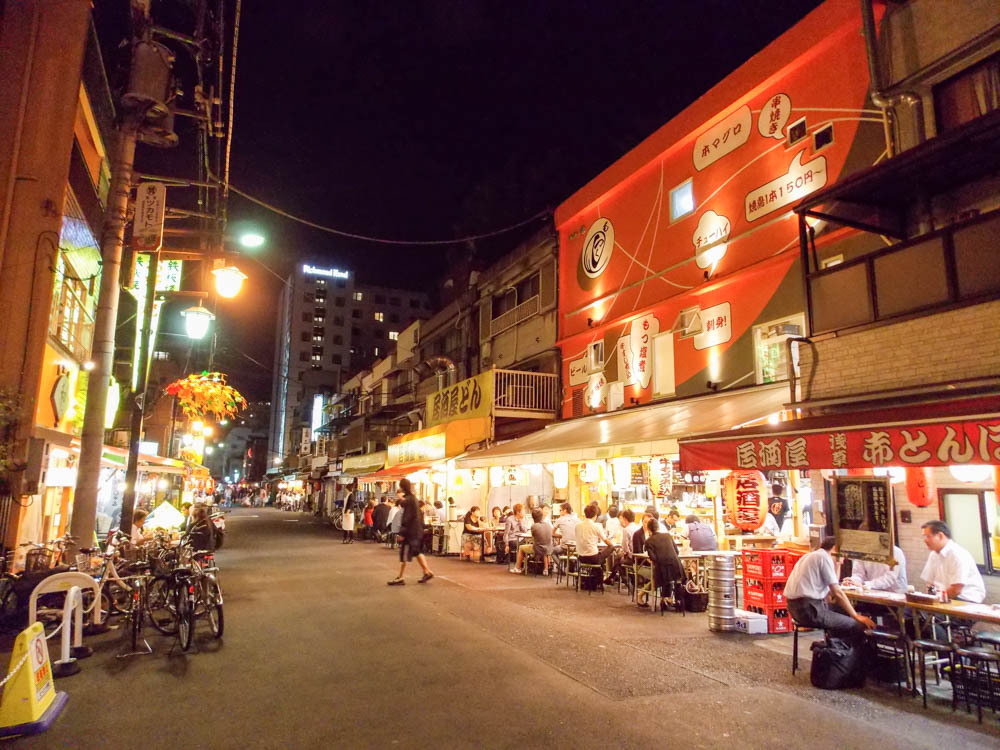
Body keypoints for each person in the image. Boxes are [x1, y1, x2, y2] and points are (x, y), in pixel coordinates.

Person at [785, 536, 875, 643]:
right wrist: (856, 616)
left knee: (840, 612)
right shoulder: (823, 557)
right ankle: (848, 657)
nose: (845, 557)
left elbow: (832, 587)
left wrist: (838, 562)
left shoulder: (810, 556)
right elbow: (837, 592)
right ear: (835, 548)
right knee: (857, 625)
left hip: (796, 609)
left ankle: (834, 650)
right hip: (810, 609)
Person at [920, 520, 986, 603]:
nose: (925, 540)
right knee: (910, 611)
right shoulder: (933, 554)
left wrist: (935, 601)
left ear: (940, 536)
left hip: (965, 598)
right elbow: (930, 583)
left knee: (935, 614)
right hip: (943, 597)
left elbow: (956, 589)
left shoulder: (958, 554)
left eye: (927, 536)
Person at [388, 478, 434, 585]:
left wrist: (402, 533)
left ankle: (400, 577)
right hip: (417, 531)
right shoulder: (413, 499)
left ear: (402, 487)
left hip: (410, 532)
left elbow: (407, 518)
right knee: (417, 552)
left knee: (404, 553)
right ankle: (427, 571)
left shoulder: (408, 501)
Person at [643, 517, 685, 611]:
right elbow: (677, 552)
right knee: (676, 581)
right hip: (677, 567)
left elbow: (653, 558)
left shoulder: (648, 541)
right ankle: (679, 601)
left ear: (648, 529)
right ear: (658, 527)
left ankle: (664, 600)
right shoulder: (667, 536)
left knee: (663, 576)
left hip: (663, 571)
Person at [843, 545, 907, 594]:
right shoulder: (862, 551)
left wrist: (865, 585)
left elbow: (889, 578)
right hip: (870, 594)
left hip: (894, 596)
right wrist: (853, 582)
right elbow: (858, 574)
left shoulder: (896, 552)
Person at [511, 509, 554, 575]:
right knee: (544, 549)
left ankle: (518, 568)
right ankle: (545, 569)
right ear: (542, 516)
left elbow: (533, 538)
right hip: (549, 548)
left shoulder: (534, 526)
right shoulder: (548, 525)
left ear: (533, 518)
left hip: (537, 549)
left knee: (521, 547)